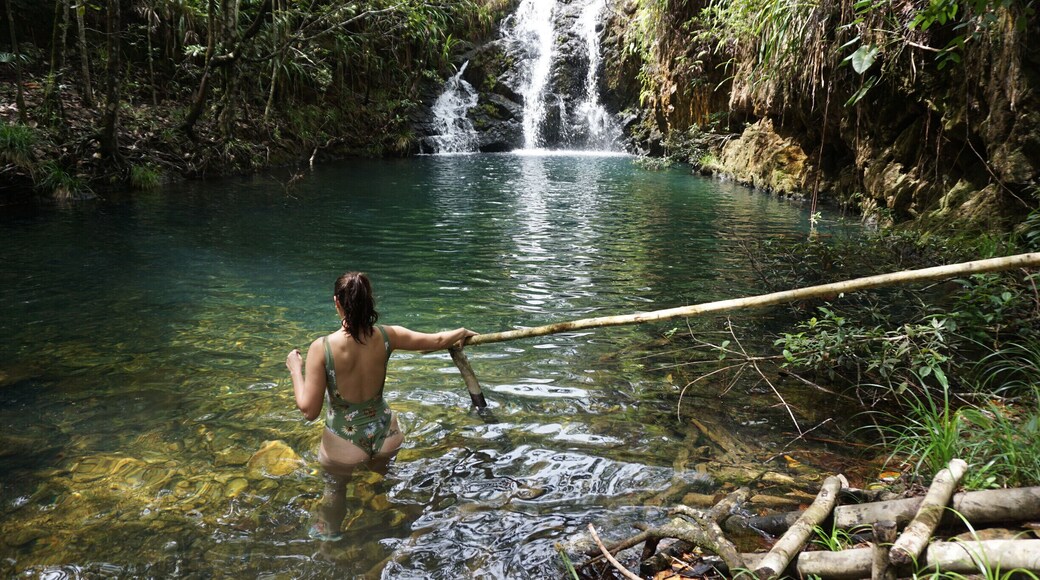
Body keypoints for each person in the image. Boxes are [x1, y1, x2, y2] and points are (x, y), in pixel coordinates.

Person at [286, 271, 476, 540]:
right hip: (386, 434)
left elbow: (309, 411)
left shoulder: (322, 347)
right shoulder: (388, 336)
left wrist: (295, 369)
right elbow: (435, 340)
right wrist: (461, 332)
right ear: (370, 301)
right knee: (388, 478)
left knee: (335, 490)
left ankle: (330, 537)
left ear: (337, 303)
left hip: (344, 443)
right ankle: (407, 514)